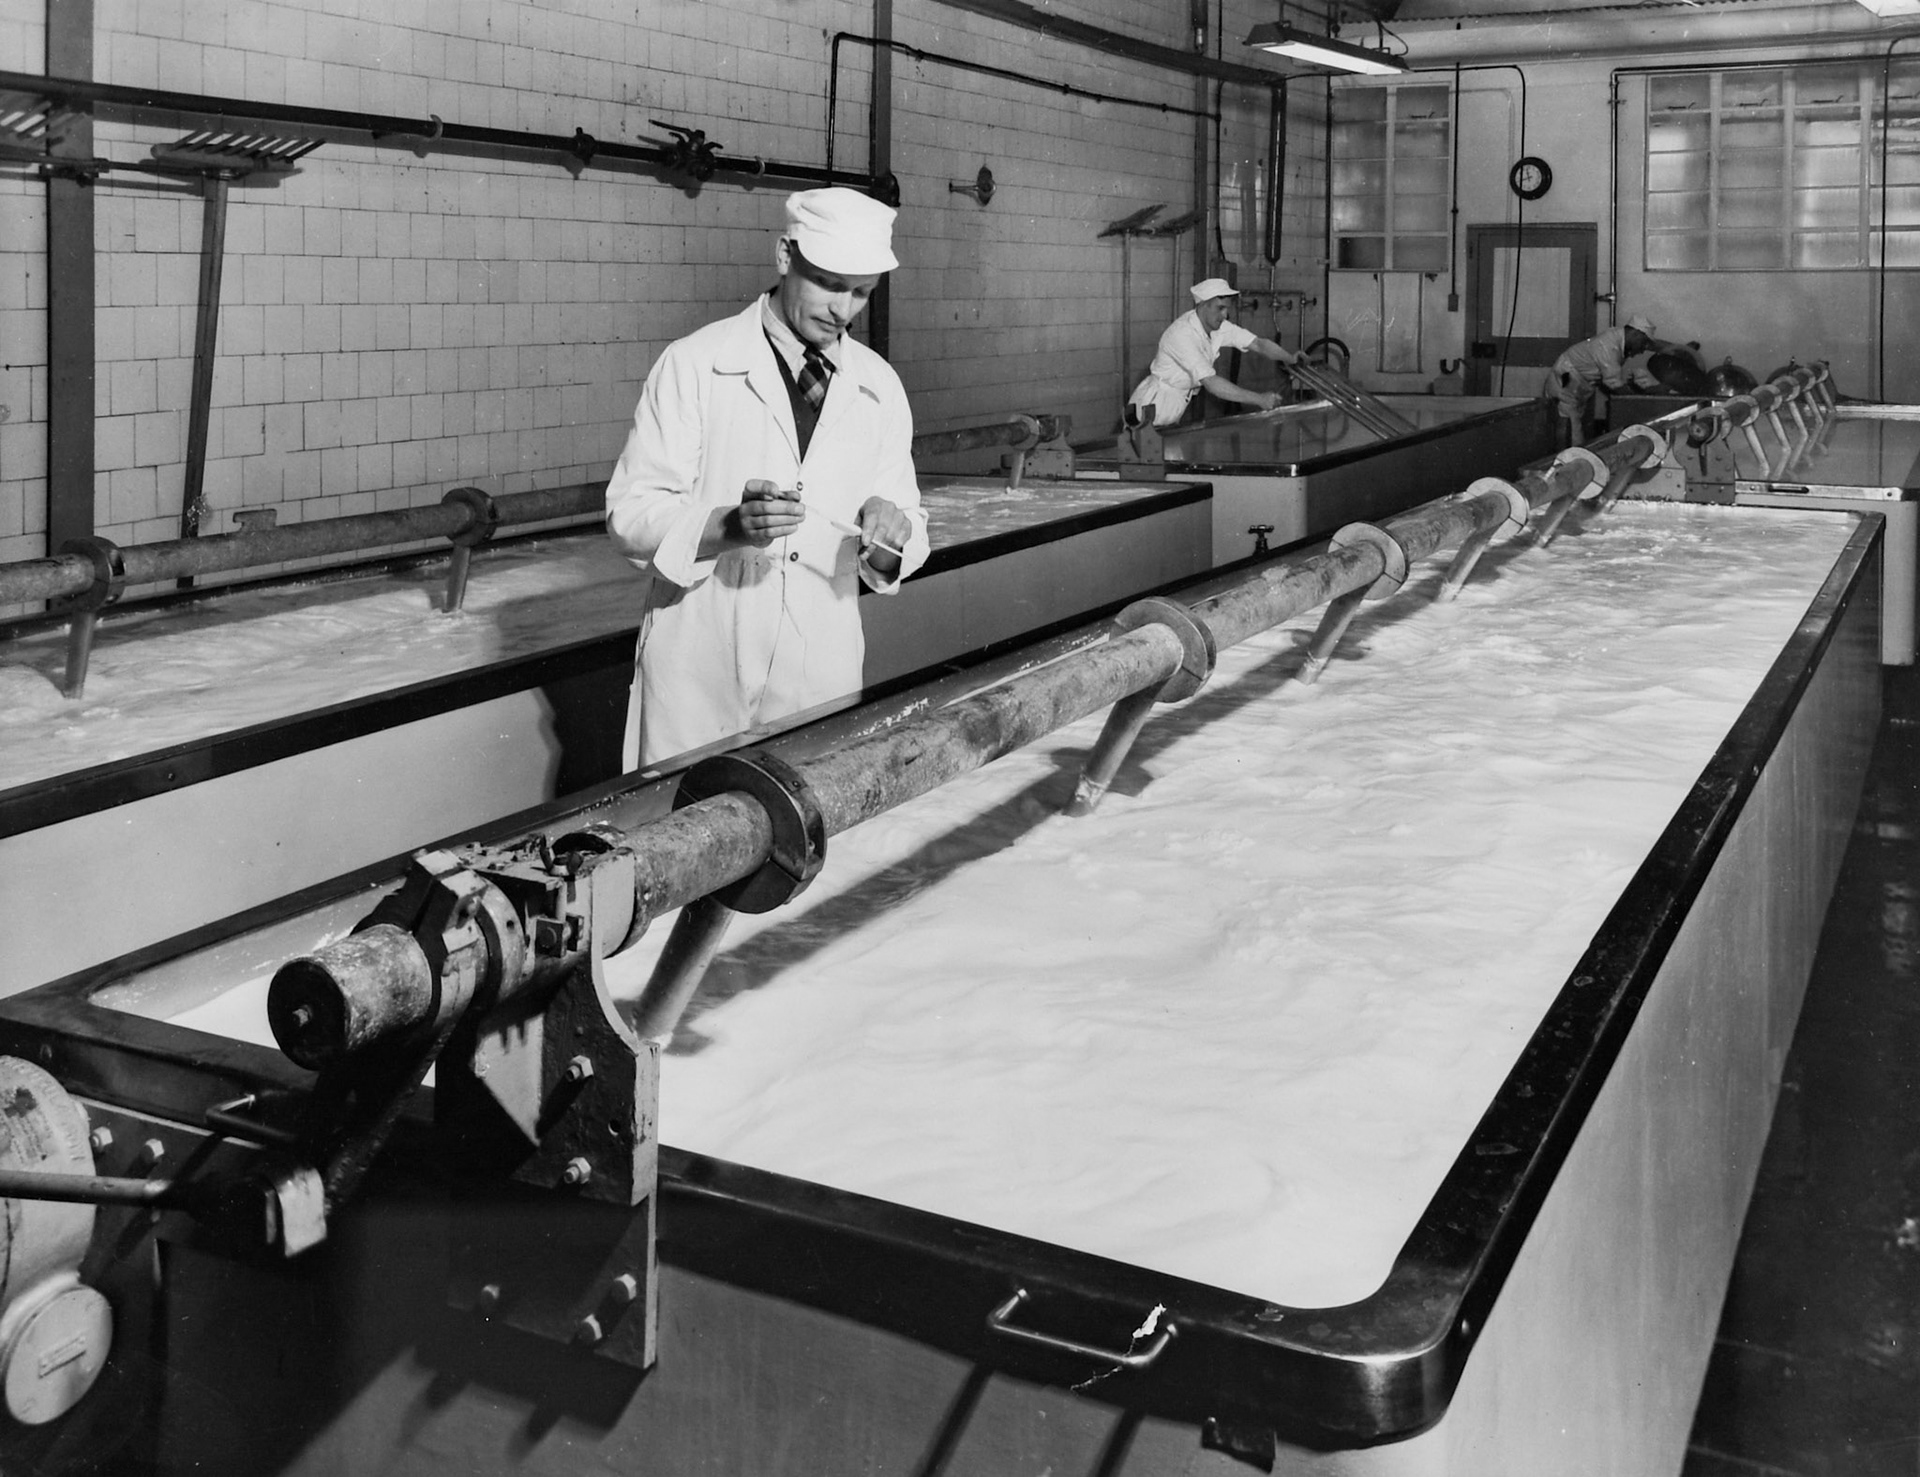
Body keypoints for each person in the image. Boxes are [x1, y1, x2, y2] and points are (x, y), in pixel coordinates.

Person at [606, 187, 930, 769]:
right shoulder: (695, 364)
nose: (844, 310)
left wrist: (889, 537)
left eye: (862, 293)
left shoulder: (879, 386)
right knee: (686, 832)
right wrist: (726, 527)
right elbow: (630, 514)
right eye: (830, 284)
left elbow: (906, 526)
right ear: (785, 255)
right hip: (701, 664)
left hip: (819, 670)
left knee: (811, 837)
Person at [1126, 279, 1300, 432]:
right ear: (1202, 305)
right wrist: (1259, 399)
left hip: (1175, 403)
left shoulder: (1218, 327)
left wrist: (1290, 359)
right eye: (1220, 308)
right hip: (1152, 407)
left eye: (1226, 309)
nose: (1225, 315)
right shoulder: (1181, 334)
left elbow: (1258, 344)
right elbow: (1212, 383)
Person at [1543, 313, 1672, 446]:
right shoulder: (1609, 345)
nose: (1642, 350)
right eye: (1643, 343)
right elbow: (1614, 384)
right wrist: (1646, 394)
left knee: (1574, 426)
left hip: (1578, 384)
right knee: (1571, 429)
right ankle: (1562, 462)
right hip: (1565, 381)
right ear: (1635, 334)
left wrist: (1681, 350)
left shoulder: (1620, 339)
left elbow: (1653, 346)